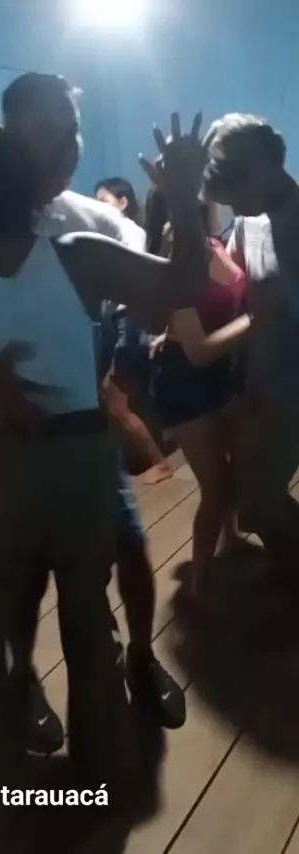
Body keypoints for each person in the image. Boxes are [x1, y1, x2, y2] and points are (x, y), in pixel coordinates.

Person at [0, 116, 206, 851]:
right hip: (81, 459)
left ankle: (3, 805)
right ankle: (94, 789)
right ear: (34, 189)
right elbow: (184, 284)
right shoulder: (80, 257)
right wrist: (183, 196)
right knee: (88, 620)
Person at [0, 73, 183, 757]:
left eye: (73, 131)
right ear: (9, 135)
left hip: (86, 433)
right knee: (21, 579)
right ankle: (26, 679)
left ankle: (139, 656)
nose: (67, 148)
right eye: (46, 132)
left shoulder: (95, 222)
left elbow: (157, 302)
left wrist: (173, 210)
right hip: (5, 444)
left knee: (128, 550)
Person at [203, 114, 299, 580]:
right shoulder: (249, 221)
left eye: (235, 193)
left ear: (263, 167)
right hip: (261, 381)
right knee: (254, 499)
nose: (233, 206)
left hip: (290, 386)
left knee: (258, 500)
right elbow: (239, 287)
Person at [147, 197, 250, 591]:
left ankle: (231, 538)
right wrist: (255, 319)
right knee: (215, 487)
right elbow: (199, 350)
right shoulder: (181, 251)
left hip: (221, 371)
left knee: (236, 465)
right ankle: (200, 581)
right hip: (186, 380)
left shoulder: (213, 241)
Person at [96, 176, 174, 484]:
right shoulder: (129, 232)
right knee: (135, 394)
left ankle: (157, 462)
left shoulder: (125, 231)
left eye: (103, 201)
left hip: (129, 320)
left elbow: (129, 278)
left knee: (114, 399)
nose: (98, 208)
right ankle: (155, 454)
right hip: (128, 319)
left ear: (123, 202)